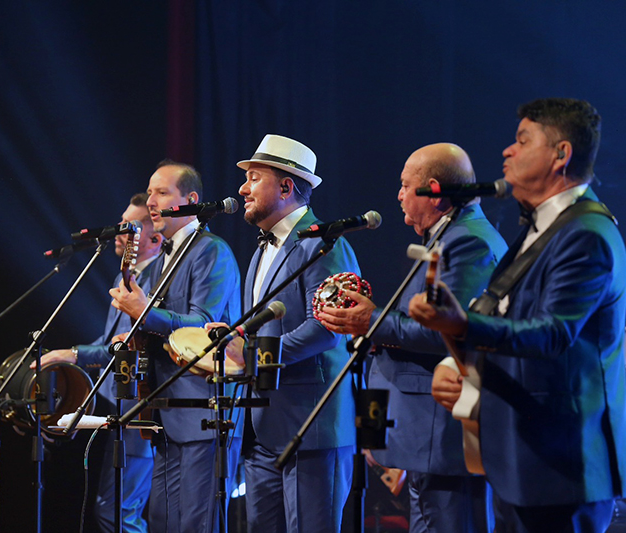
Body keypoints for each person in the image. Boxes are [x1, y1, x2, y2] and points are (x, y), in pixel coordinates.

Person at [408, 98, 626, 533]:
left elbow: (552, 335)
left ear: (561, 155)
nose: (507, 151)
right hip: (523, 460)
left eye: (523, 140)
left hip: (562, 469)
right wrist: (461, 364)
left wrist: (461, 325)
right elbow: (502, 318)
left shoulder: (586, 233)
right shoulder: (541, 228)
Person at [317, 143, 506, 533]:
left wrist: (371, 320)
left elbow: (449, 331)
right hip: (426, 433)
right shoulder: (449, 236)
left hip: (443, 432)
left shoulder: (467, 241)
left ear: (433, 191)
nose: (399, 195)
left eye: (405, 186)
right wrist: (366, 323)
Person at [235, 134, 360, 532]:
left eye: (254, 178)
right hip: (263, 427)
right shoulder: (259, 251)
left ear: (286, 186)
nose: (242, 188)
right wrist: (232, 335)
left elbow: (328, 328)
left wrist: (252, 354)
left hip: (312, 428)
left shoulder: (323, 242)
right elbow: (262, 328)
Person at [109, 160, 242, 533]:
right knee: (163, 522)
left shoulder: (210, 250)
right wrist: (136, 335)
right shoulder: (167, 256)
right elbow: (166, 326)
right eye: (150, 192)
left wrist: (144, 313)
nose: (151, 201)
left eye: (161, 192)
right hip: (166, 412)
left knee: (195, 525)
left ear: (191, 200)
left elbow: (203, 326)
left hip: (201, 410)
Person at [36, 192, 163, 533]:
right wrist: (68, 362)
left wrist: (72, 355)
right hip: (118, 406)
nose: (119, 233)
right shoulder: (125, 279)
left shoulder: (156, 282)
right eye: (120, 224)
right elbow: (109, 346)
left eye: (129, 227)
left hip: (140, 407)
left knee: (119, 511)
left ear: (154, 237)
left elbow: (127, 348)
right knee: (112, 510)